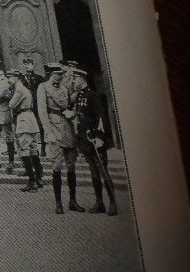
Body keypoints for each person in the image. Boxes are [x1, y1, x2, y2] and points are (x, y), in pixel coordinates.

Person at [71, 67, 118, 216]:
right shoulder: (79, 97)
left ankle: (113, 204)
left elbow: (101, 118)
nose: (73, 81)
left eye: (75, 79)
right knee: (94, 172)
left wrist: (99, 137)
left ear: (82, 79)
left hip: (95, 140)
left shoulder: (93, 96)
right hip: (85, 140)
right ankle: (99, 203)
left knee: (103, 171)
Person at [38, 63, 81, 214]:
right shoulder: (43, 87)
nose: (61, 76)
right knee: (56, 167)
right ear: (52, 74)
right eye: (58, 74)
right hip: (53, 128)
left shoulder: (63, 88)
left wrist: (71, 113)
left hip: (67, 127)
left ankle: (73, 201)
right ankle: (58, 203)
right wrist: (47, 132)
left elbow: (68, 105)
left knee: (71, 165)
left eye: (61, 74)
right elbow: (42, 111)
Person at [6, 68, 43, 193]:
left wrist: (9, 96)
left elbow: (11, 105)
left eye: (9, 77)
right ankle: (39, 178)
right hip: (30, 120)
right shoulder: (23, 88)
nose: (8, 80)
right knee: (33, 150)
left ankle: (32, 181)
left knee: (25, 151)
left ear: (16, 78)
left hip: (24, 120)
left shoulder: (19, 90)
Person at [18, 55, 46, 158]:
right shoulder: (21, 79)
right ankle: (33, 150)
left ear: (33, 65)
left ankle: (43, 147)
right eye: (25, 64)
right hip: (26, 107)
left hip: (37, 106)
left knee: (41, 127)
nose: (27, 66)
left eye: (29, 64)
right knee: (29, 128)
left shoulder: (39, 78)